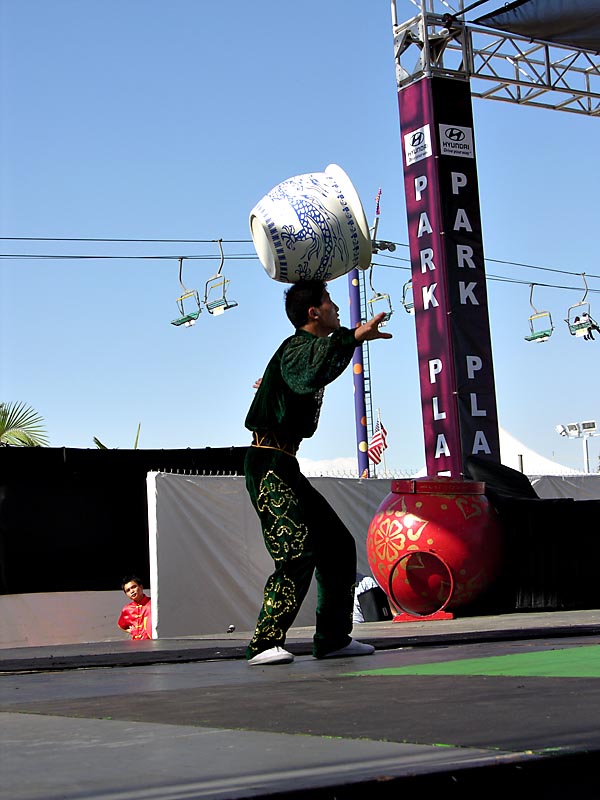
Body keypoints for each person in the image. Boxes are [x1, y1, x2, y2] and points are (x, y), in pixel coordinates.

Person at [244, 279, 392, 665]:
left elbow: (305, 375)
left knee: (338, 547)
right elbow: (306, 372)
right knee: (295, 550)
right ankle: (263, 642)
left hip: (284, 463)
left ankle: (332, 638)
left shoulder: (303, 351)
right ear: (314, 313)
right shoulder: (299, 348)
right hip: (268, 464)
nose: (337, 308)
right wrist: (355, 335)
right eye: (329, 302)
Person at [118, 575, 152, 640]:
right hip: (135, 645)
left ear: (141, 587)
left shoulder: (153, 603)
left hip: (151, 643)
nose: (132, 591)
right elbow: (121, 625)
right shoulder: (127, 609)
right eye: (128, 590)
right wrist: (132, 631)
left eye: (133, 587)